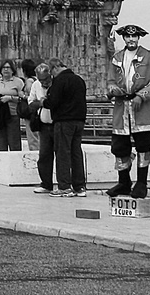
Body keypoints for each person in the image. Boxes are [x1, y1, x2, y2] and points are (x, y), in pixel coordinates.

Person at [106, 24, 150, 198]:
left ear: (139, 38)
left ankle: (142, 183)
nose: (131, 39)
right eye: (128, 37)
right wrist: (113, 90)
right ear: (123, 38)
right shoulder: (116, 57)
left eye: (134, 37)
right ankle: (123, 182)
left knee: (143, 146)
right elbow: (110, 81)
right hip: (121, 108)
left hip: (142, 109)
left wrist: (141, 95)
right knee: (119, 147)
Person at [40, 58, 87, 196]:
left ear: (54, 68)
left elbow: (52, 102)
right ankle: (79, 186)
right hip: (79, 121)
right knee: (76, 153)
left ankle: (64, 186)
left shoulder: (59, 81)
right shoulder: (79, 80)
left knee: (62, 153)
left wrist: (43, 101)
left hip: (64, 121)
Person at [25, 62, 54, 194]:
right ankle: (46, 183)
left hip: (57, 123)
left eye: (45, 79)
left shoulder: (56, 83)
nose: (43, 83)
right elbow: (31, 103)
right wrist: (41, 103)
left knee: (62, 154)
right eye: (40, 79)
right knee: (44, 155)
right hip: (43, 123)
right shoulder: (36, 85)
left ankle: (65, 183)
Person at [0, 61, 25, 152]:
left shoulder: (18, 82)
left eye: (8, 67)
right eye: (4, 67)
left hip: (13, 115)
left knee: (14, 144)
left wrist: (10, 98)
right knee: (1, 144)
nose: (6, 69)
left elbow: (23, 98)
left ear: (13, 70)